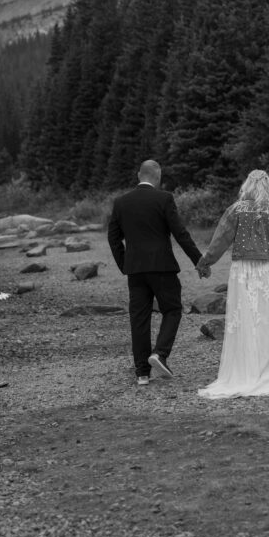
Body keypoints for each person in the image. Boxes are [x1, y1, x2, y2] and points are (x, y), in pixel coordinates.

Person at [195, 170, 269, 398]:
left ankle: (244, 368)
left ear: (247, 187)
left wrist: (206, 262)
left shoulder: (236, 210)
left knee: (244, 319)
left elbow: (220, 239)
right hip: (267, 270)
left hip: (242, 272)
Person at [107, 160, 202, 386]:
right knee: (173, 309)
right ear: (158, 178)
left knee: (139, 318)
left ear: (139, 174)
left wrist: (125, 264)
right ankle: (160, 353)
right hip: (162, 267)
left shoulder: (121, 202)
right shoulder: (164, 199)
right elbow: (180, 233)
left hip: (136, 270)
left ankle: (142, 373)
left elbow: (113, 238)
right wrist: (199, 261)